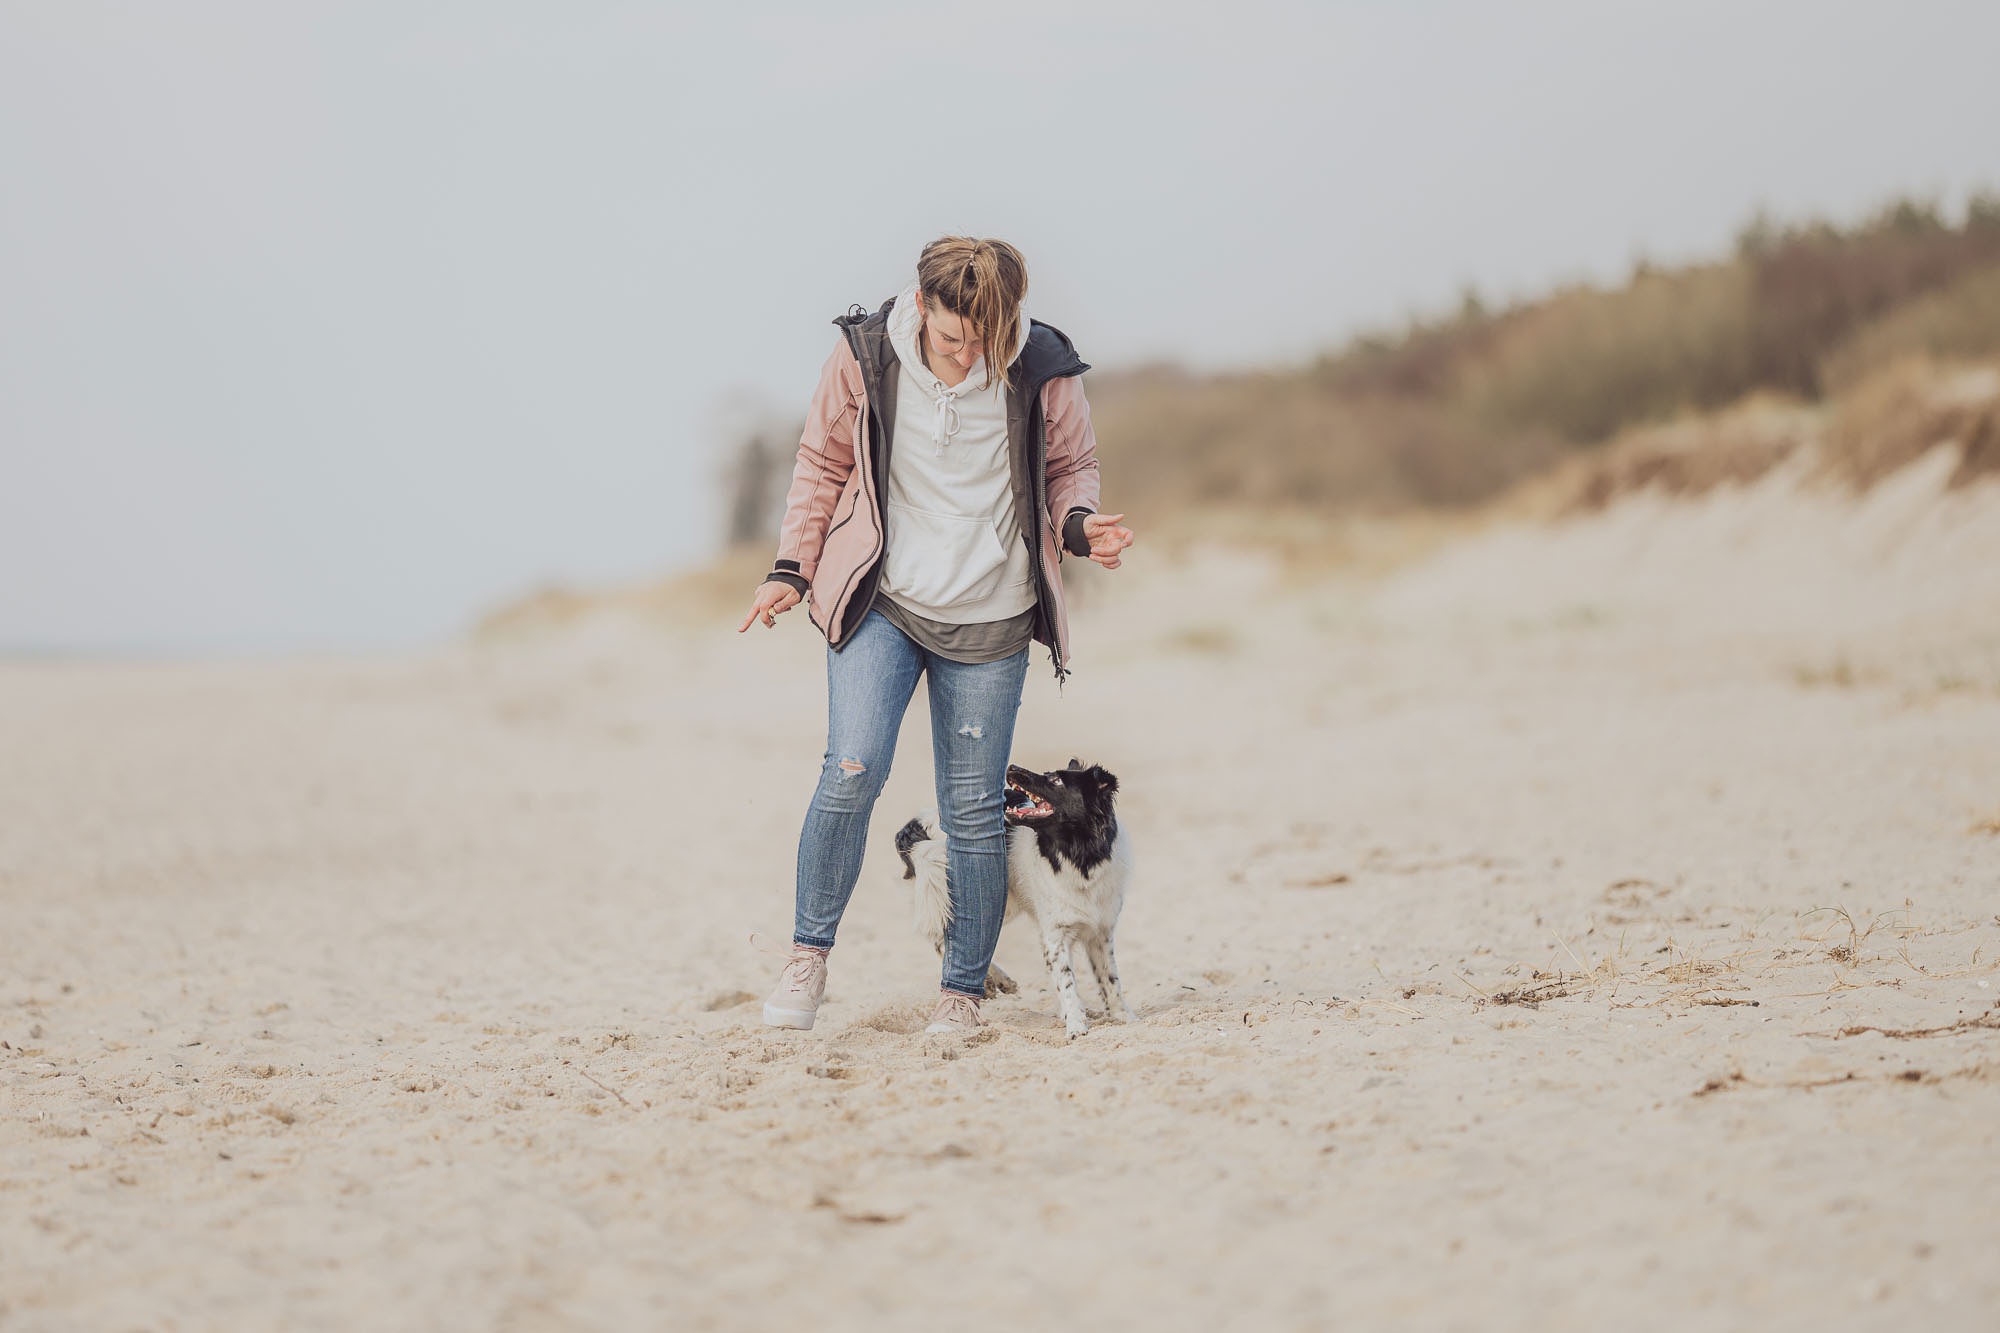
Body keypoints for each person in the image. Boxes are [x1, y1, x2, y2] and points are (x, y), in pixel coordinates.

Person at [736, 236, 1135, 1036]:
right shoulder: (863, 357)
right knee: (852, 769)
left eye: (990, 335)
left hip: (991, 612)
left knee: (975, 809)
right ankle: (808, 957)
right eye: (955, 337)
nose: (971, 353)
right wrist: (791, 567)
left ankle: (961, 993)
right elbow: (820, 464)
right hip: (882, 599)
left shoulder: (1042, 366)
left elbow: (1071, 469)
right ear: (921, 306)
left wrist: (1083, 529)